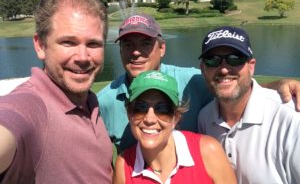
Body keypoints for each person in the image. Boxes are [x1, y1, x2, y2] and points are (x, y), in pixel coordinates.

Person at [97, 13, 300, 152]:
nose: (135, 52)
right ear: (120, 49)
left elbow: (231, 84)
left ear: (162, 48)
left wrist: (277, 85)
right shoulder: (104, 101)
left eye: (146, 43)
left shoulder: (191, 81)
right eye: (128, 44)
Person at [0, 0, 113, 184]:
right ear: (41, 45)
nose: (83, 57)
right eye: (68, 42)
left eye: (93, 44)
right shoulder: (32, 105)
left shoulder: (90, 101)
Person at [197, 26, 300, 184]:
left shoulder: (291, 118)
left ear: (251, 66)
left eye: (235, 59)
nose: (223, 69)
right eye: (212, 60)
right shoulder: (204, 118)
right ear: (203, 70)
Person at [113, 70, 239, 184]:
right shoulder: (123, 167)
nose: (149, 119)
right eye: (140, 108)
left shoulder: (208, 151)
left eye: (162, 109)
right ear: (130, 115)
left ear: (176, 117)